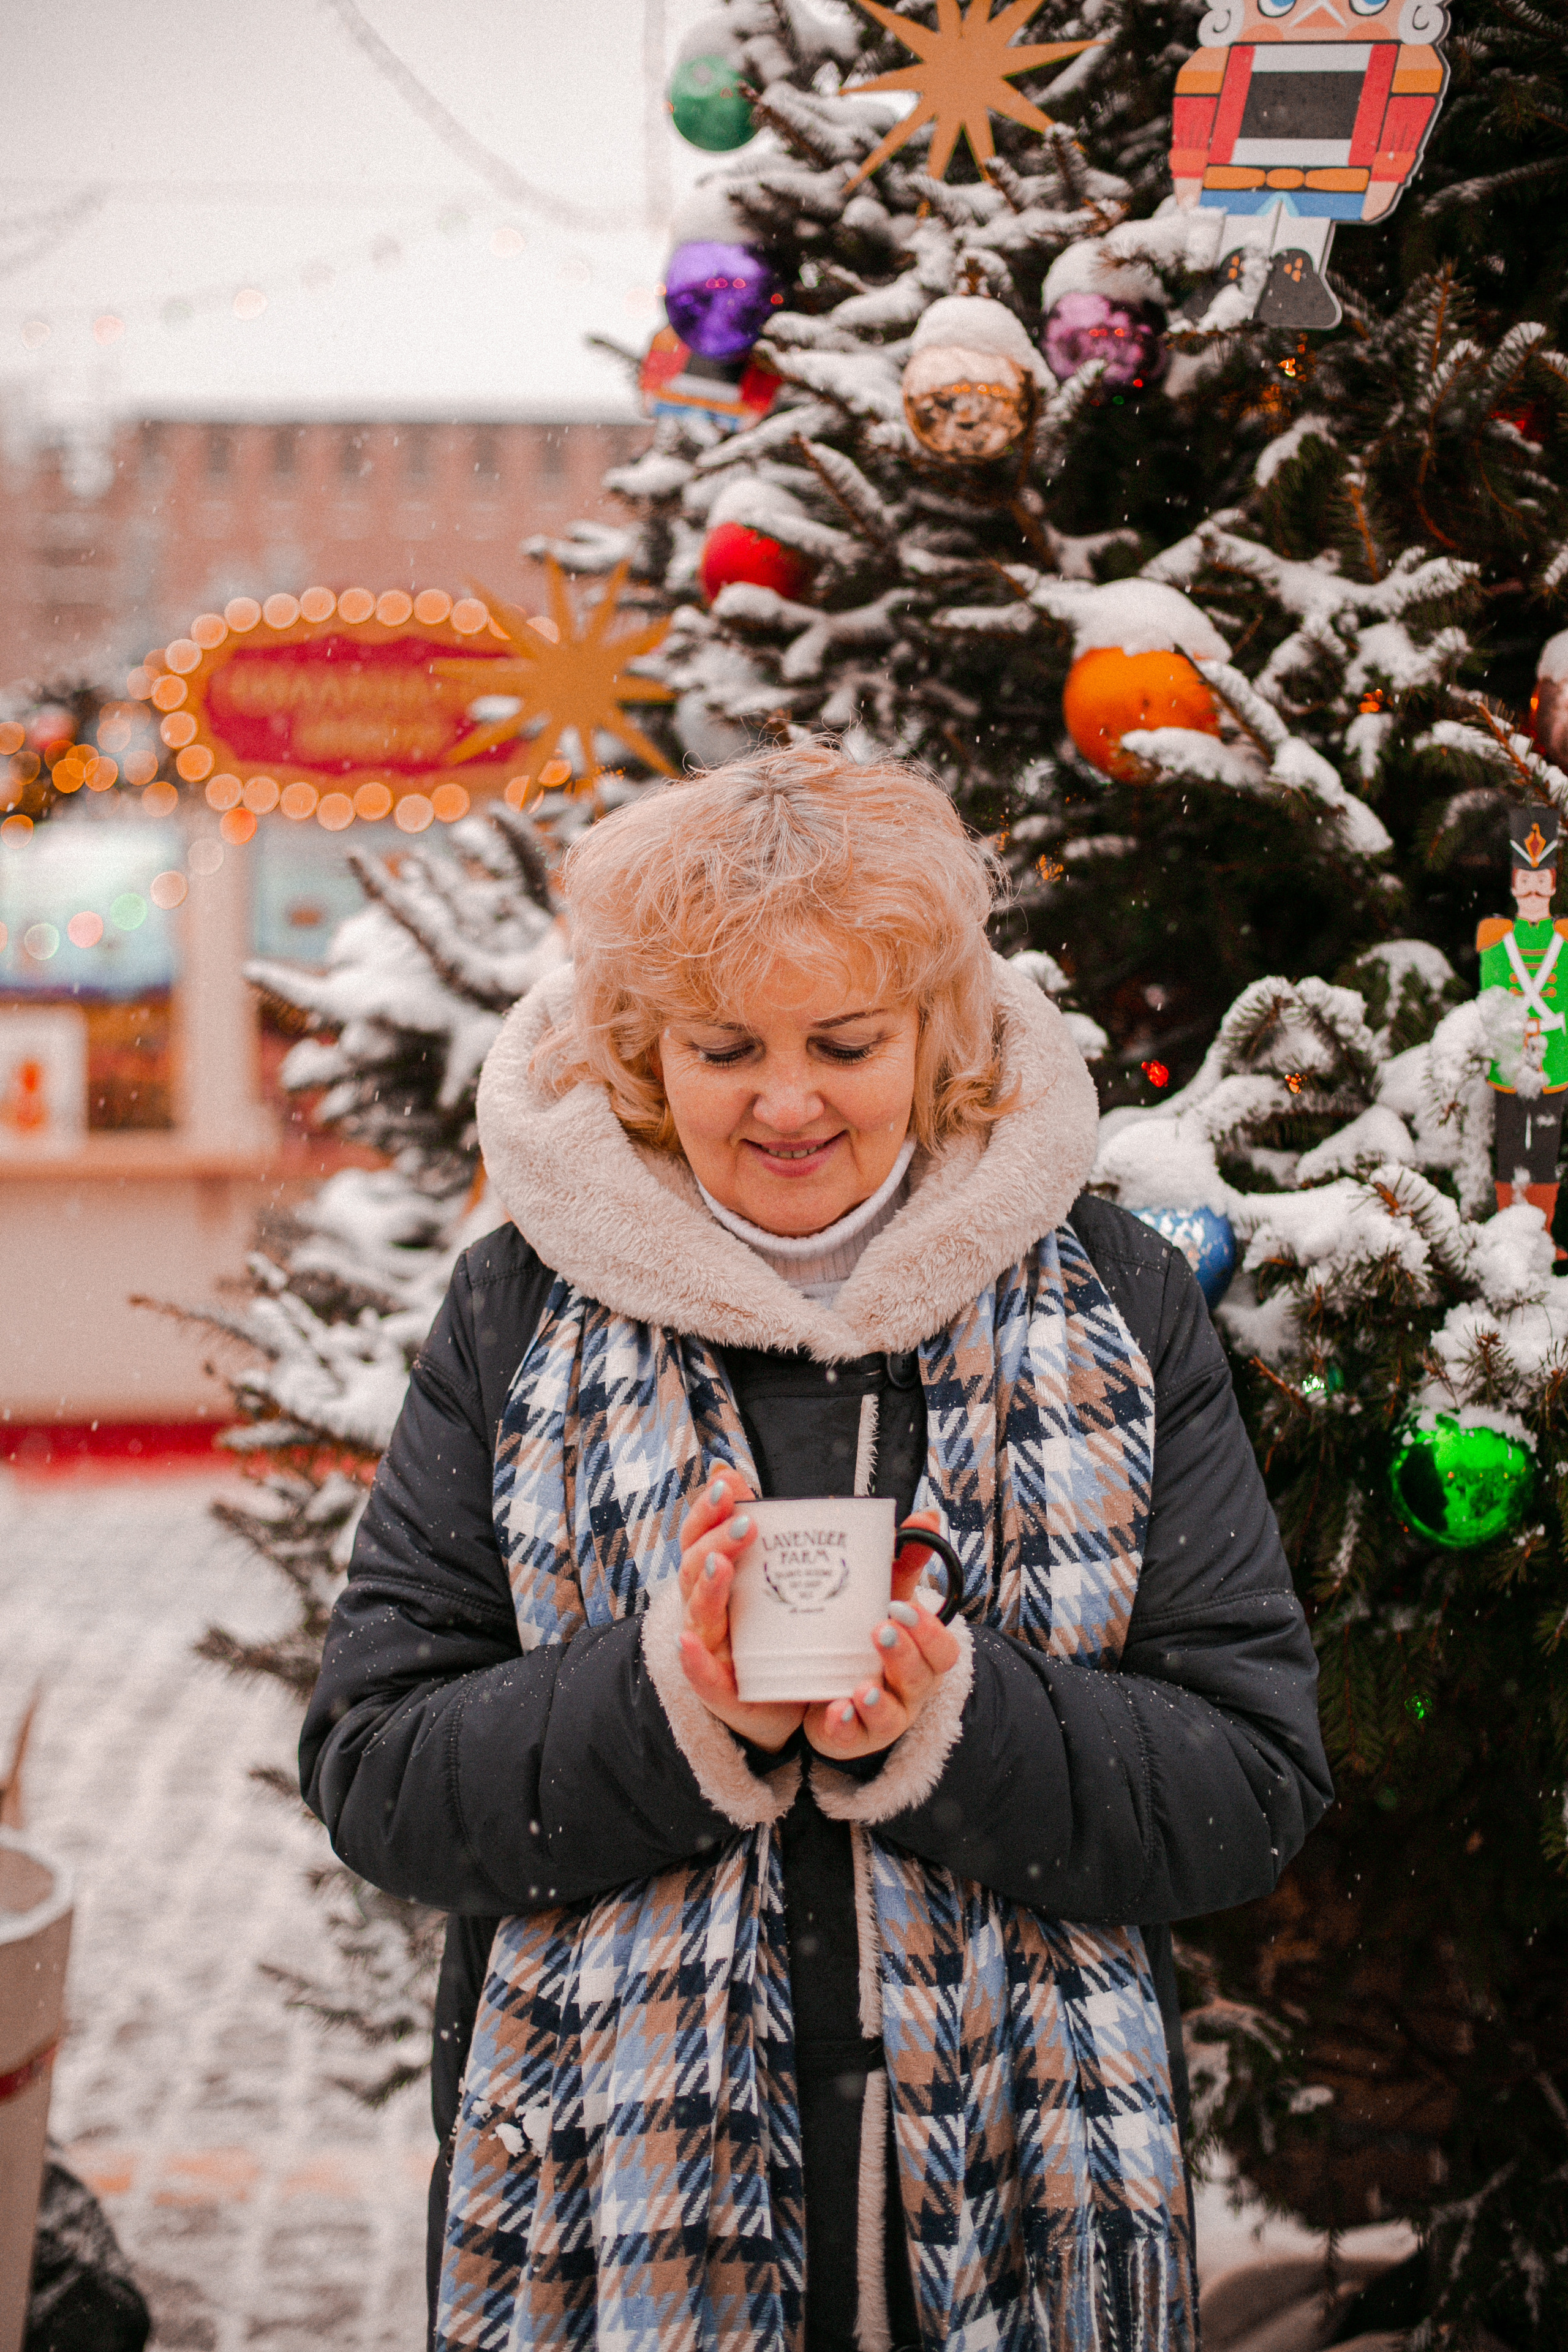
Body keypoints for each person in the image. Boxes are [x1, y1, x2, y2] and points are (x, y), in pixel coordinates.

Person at [300, 745, 1332, 2352]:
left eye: (843, 1042)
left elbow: (1250, 1783)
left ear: (935, 1038)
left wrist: (958, 1730)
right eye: (725, 1049)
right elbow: (376, 1771)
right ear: (648, 1056)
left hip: (1025, 2234)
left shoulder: (1115, 1301)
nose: (786, 1102)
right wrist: (670, 1715)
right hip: (607, 2247)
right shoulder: (517, 1314)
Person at [1478, 804, 1566, 1243]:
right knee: (1510, 1148)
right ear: (1515, 886)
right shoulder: (1495, 940)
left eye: (1541, 881)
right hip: (1511, 1059)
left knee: (1545, 1151)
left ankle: (1543, 1236)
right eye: (1525, 881)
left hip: (1554, 1058)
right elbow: (1491, 1001)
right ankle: (1507, 1233)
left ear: (1552, 884)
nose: (1533, 890)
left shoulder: (1566, 940)